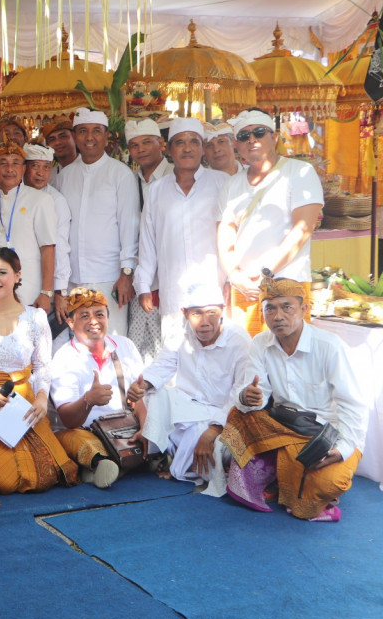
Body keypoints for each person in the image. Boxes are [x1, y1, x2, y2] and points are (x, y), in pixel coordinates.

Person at [221, 275, 368, 521]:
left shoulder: (329, 346)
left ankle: (283, 476)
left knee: (332, 482)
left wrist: (341, 449)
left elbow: (353, 405)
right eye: (270, 308)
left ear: (304, 309)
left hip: (326, 433)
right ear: (263, 313)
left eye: (287, 307)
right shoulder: (260, 343)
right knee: (238, 414)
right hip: (284, 426)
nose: (278, 316)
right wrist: (249, 396)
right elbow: (257, 392)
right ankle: (279, 473)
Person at [0, 248, 78, 494]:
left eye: (2, 272)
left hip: (26, 404)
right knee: (5, 481)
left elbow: (43, 365)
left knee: (56, 473)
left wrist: (42, 397)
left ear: (17, 276)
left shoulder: (36, 318)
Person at [130, 284, 253, 495]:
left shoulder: (240, 341)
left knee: (198, 434)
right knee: (154, 396)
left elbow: (239, 397)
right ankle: (162, 452)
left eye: (211, 313)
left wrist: (213, 431)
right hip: (188, 408)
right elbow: (161, 368)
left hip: (222, 416)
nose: (204, 322)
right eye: (196, 314)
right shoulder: (180, 333)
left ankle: (170, 459)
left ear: (223, 311)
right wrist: (140, 387)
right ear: (184, 313)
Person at [217, 109, 323, 336]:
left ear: (274, 137)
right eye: (244, 136)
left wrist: (265, 273)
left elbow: (302, 230)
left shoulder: (300, 172)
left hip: (286, 286)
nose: (252, 139)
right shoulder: (231, 185)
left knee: (289, 358)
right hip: (246, 290)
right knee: (249, 359)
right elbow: (225, 234)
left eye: (258, 132)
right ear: (237, 145)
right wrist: (236, 277)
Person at [134, 118, 230, 351]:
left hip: (214, 292)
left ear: (202, 148)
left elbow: (233, 237)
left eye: (194, 142)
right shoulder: (157, 190)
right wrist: (143, 285)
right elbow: (148, 240)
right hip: (174, 293)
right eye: (180, 142)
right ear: (168, 148)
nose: (187, 148)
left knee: (216, 359)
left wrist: (230, 280)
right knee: (175, 362)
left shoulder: (222, 183)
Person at [52, 108, 140, 336]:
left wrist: (126, 274)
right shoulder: (64, 176)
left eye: (96, 131)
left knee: (111, 339)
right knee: (79, 342)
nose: (89, 137)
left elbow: (129, 225)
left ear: (106, 135)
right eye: (82, 131)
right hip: (74, 278)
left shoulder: (120, 174)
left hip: (110, 278)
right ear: (75, 136)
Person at [49, 288, 146, 489]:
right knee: (70, 439)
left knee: (162, 408)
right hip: (89, 433)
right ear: (70, 322)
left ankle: (102, 468)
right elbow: (67, 420)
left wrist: (145, 428)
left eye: (99, 314)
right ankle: (103, 464)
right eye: (84, 316)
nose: (93, 321)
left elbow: (139, 399)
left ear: (108, 319)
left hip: (125, 431)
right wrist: (88, 400)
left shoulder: (124, 345)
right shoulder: (63, 358)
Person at [0, 140, 57, 312]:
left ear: (23, 168)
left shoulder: (40, 200)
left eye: (15, 163)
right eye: (3, 163)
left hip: (30, 291)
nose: (9, 169)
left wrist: (46, 292)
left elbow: (48, 248)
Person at [123, 118, 172, 362]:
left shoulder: (177, 176)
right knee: (141, 345)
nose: (140, 149)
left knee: (172, 343)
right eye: (133, 145)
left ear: (161, 143)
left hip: (171, 274)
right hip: (141, 277)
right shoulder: (130, 180)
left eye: (146, 142)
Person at [23, 144, 72, 325]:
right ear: (24, 167)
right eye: (35, 166)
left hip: (45, 289)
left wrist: (59, 292)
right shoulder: (14, 194)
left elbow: (60, 248)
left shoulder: (56, 200)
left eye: (46, 167)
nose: (40, 173)